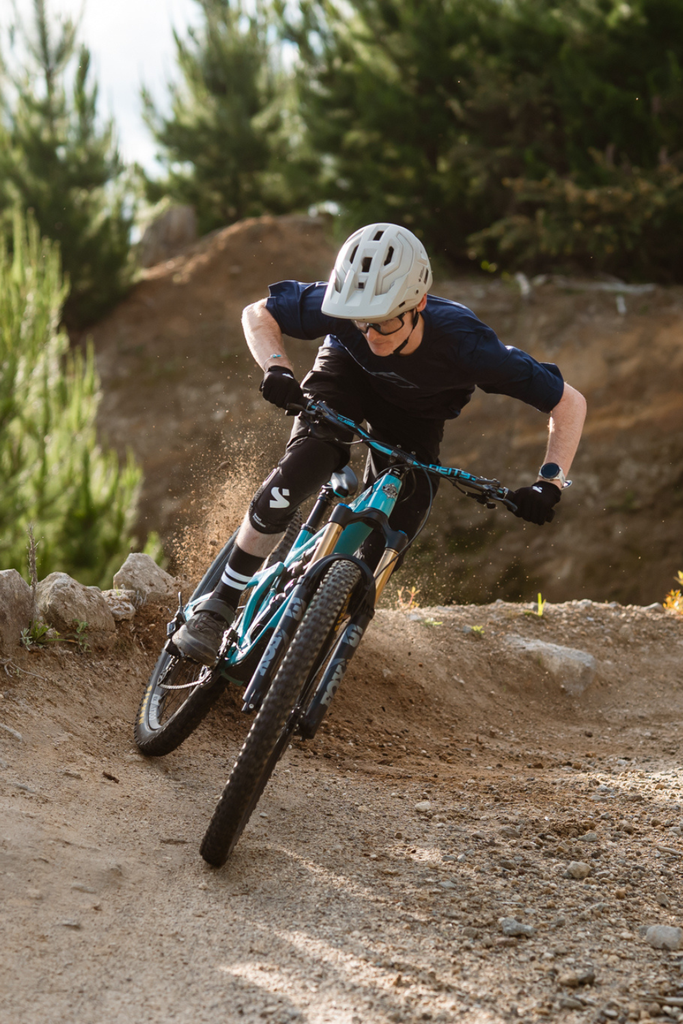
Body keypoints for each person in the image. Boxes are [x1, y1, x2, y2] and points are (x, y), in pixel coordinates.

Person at [174, 223, 587, 665]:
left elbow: (568, 403)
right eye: (363, 322)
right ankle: (218, 605)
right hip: (344, 380)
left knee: (399, 525)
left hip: (416, 418)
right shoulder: (344, 306)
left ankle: (307, 650)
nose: (372, 335)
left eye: (386, 321)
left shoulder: (468, 344)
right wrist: (276, 367)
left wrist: (549, 482)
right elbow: (258, 313)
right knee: (301, 469)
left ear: (418, 304)